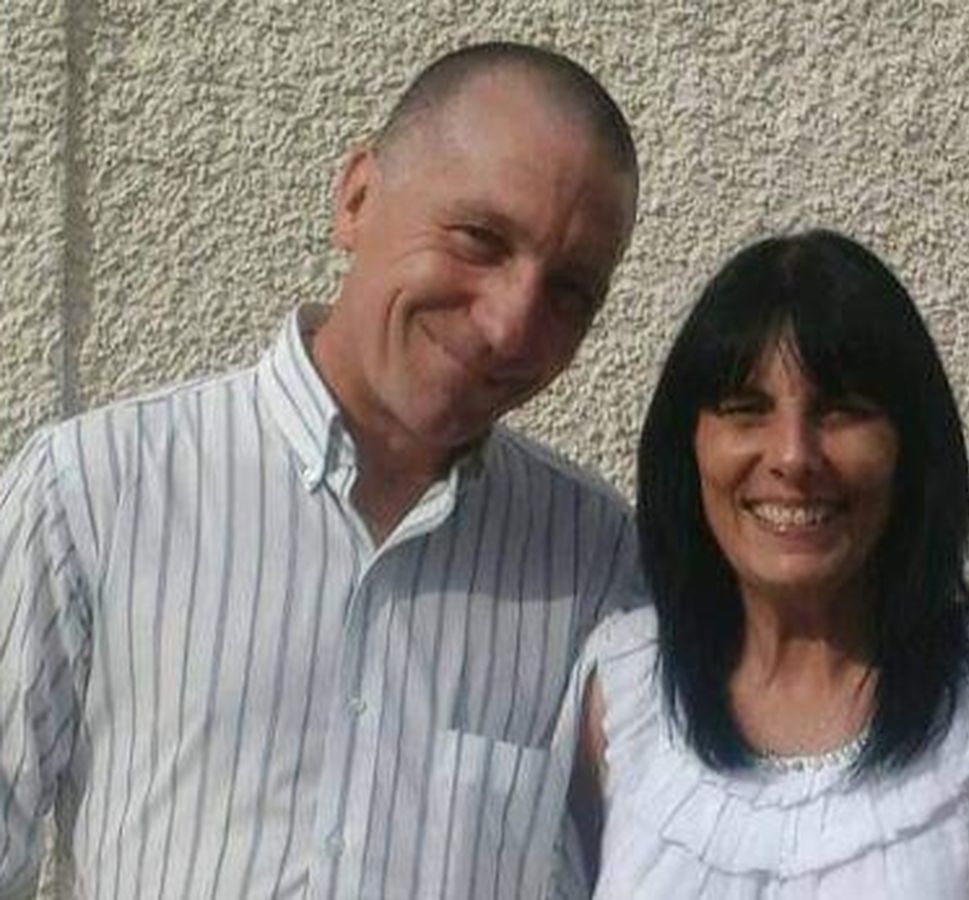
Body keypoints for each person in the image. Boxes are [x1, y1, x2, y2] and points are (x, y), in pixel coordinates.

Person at [0, 42, 641, 899]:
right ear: (357, 197)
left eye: (568, 291)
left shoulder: (597, 561)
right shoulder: (94, 491)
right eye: (480, 240)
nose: (509, 325)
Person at [566, 231, 969, 898]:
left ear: (909, 447)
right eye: (747, 411)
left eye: (841, 412)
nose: (793, 456)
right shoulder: (623, 687)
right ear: (687, 447)